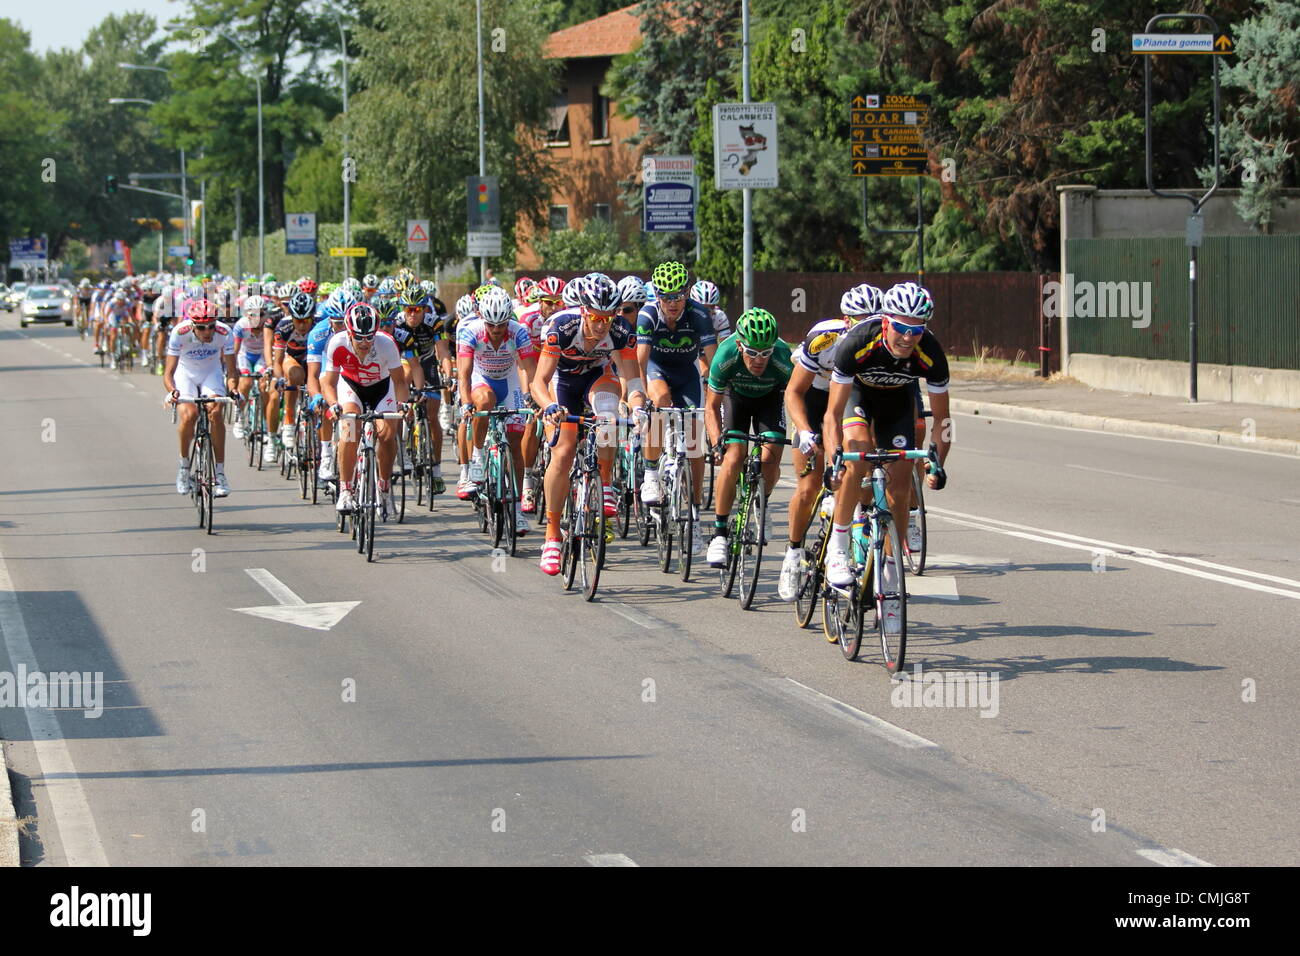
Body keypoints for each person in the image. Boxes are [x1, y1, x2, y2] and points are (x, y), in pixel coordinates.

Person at [822, 281, 953, 635]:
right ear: (885, 321)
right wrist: (835, 457)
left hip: (896, 403)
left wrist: (937, 461)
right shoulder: (857, 342)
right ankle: (839, 542)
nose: (909, 337)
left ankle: (892, 572)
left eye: (917, 329)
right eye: (902, 327)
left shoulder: (931, 352)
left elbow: (942, 420)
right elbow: (832, 415)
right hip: (859, 398)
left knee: (900, 485)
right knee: (858, 457)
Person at [529, 274, 646, 575]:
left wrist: (638, 409)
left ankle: (604, 483)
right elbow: (538, 382)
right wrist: (550, 406)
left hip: (597, 377)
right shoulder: (561, 327)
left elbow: (632, 379)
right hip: (563, 382)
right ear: (583, 310)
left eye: (608, 317)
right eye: (595, 317)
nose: (602, 324)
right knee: (565, 451)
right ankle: (552, 535)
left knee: (608, 414)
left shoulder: (621, 330)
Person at [777, 284, 882, 601]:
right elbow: (793, 391)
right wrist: (805, 430)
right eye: (858, 321)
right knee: (808, 487)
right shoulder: (824, 338)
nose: (866, 327)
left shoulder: (881, 344)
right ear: (846, 320)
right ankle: (793, 555)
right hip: (814, 399)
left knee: (860, 468)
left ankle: (857, 532)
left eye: (872, 320)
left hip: (851, 402)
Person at [703, 308, 793, 567]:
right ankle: (719, 534)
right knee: (733, 456)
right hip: (736, 398)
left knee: (771, 454)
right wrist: (715, 440)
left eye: (765, 353)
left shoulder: (782, 357)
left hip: (769, 398)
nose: (759, 360)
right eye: (752, 352)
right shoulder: (726, 354)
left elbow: (798, 394)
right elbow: (711, 406)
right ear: (740, 345)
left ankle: (760, 499)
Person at [636, 262, 717, 550]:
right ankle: (650, 475)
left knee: (694, 442)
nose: (673, 303)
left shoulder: (698, 314)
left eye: (679, 296)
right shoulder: (648, 314)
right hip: (658, 370)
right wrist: (640, 395)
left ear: (687, 294)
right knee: (660, 402)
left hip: (686, 372)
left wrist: (716, 397)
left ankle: (694, 515)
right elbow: (641, 360)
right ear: (657, 295)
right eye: (667, 297)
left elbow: (713, 358)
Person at [457, 287, 538, 534]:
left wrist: (528, 398)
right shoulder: (470, 332)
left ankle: (515, 508)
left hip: (510, 379)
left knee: (515, 438)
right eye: (491, 325)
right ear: (483, 319)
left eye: (501, 325)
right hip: (482, 379)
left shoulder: (518, 332)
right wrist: (465, 403)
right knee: (484, 400)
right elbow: (464, 373)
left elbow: (526, 368)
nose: (496, 330)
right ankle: (478, 458)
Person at [321, 302, 410, 517]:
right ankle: (346, 490)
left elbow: (399, 382)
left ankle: (384, 488)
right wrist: (333, 404)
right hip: (351, 387)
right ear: (349, 332)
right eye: (359, 337)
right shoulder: (337, 343)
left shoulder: (386, 344)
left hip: (381, 388)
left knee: (388, 435)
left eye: (369, 336)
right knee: (350, 430)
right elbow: (328, 382)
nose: (365, 342)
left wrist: (402, 405)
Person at [162, 297, 238, 497]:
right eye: (202, 328)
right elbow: (168, 373)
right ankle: (184, 467)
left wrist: (234, 389)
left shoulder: (224, 332)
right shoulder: (179, 332)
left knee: (215, 411)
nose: (207, 332)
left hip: (210, 373)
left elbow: (231, 371)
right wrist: (172, 391)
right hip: (185, 373)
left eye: (211, 326)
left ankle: (220, 473)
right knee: (189, 415)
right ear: (193, 325)